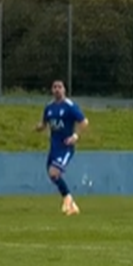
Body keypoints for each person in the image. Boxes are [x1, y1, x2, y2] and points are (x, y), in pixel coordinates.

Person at [35, 79, 89, 216]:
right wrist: (39, 127)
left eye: (60, 87)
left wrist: (75, 136)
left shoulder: (70, 106)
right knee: (52, 175)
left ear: (64, 90)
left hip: (66, 147)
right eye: (54, 87)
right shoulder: (49, 107)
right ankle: (72, 205)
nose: (57, 89)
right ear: (52, 90)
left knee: (54, 173)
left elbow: (84, 122)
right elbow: (44, 123)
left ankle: (68, 198)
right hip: (54, 147)